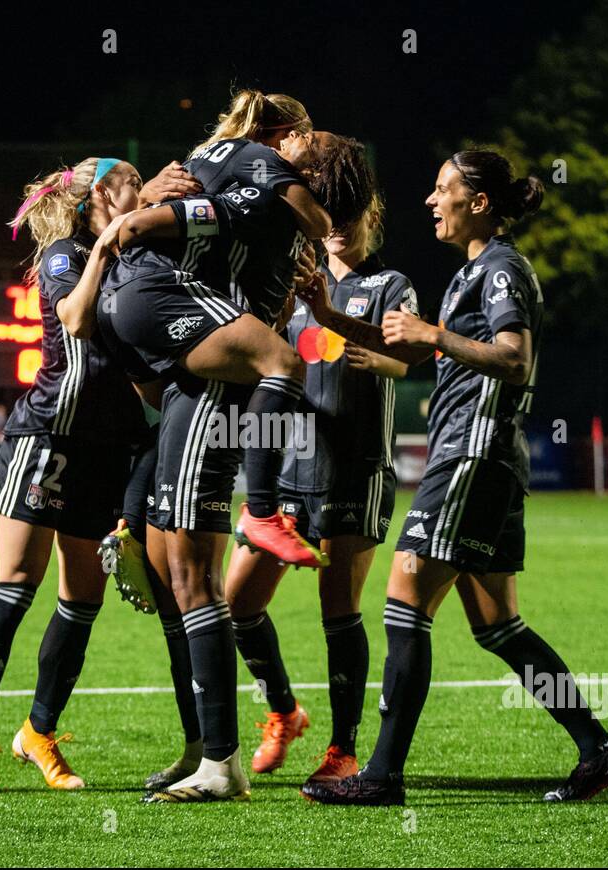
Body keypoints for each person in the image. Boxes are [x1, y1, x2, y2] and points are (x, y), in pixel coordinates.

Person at [298, 148, 608, 806]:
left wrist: (438, 335)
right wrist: (332, 316)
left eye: (443, 187)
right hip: (487, 458)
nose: (430, 199)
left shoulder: (501, 267)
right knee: (497, 624)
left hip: (472, 454)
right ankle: (597, 748)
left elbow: (513, 358)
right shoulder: (472, 272)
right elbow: (413, 344)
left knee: (404, 600)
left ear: (479, 202)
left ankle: (382, 775)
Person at [97, 106, 376, 802]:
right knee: (174, 574)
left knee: (192, 580)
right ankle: (203, 748)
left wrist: (146, 212)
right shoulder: (282, 223)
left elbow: (218, 226)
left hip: (211, 392)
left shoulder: (268, 198)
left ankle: (220, 763)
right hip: (200, 371)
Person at [0, 156, 197, 794]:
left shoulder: (135, 254)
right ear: (97, 198)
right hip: (48, 434)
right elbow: (77, 319)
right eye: (130, 181)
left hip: (105, 448)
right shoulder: (65, 254)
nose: (140, 189)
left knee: (81, 598)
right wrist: (113, 245)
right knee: (16, 584)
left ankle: (38, 732)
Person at [222, 192, 417, 785]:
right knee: (235, 606)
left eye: (349, 216)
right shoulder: (293, 283)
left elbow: (404, 359)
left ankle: (343, 750)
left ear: (370, 219)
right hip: (285, 473)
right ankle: (284, 710)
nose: (336, 229)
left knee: (339, 613)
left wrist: (367, 354)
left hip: (352, 470)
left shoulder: (390, 285)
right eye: (328, 219)